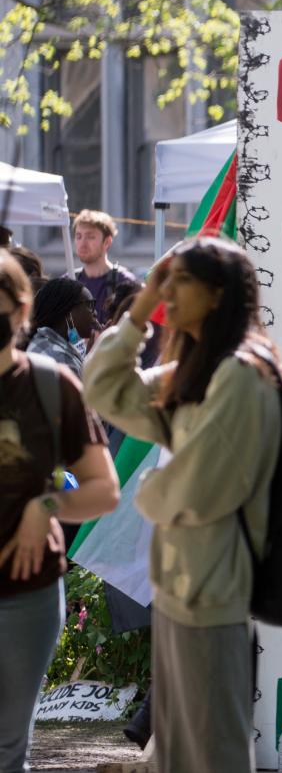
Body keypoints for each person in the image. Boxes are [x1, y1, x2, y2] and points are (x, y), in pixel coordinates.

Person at [82, 237, 282, 772]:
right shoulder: (191, 375)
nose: (168, 289)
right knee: (178, 753)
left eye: (180, 282)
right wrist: (139, 312)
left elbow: (197, 489)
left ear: (217, 295)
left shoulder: (242, 376)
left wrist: (149, 490)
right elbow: (103, 389)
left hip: (217, 593)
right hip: (179, 590)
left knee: (211, 750)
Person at [0, 252, 119, 771]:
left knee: (8, 750)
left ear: (23, 308)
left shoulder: (52, 385)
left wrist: (45, 503)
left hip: (27, 593)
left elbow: (102, 487)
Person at [71, 210, 140, 326]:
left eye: (90, 237)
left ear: (107, 242)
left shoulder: (125, 283)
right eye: (78, 236)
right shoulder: (69, 281)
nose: (82, 243)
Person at [26, 277, 97, 378]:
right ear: (69, 313)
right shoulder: (61, 359)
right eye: (90, 305)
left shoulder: (47, 343)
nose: (95, 313)